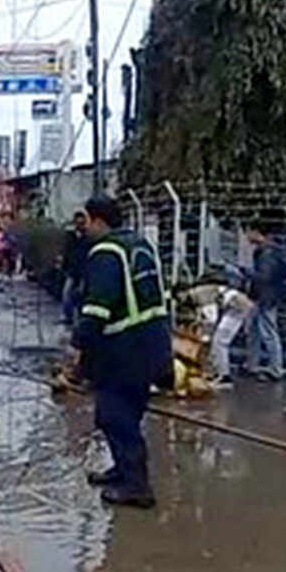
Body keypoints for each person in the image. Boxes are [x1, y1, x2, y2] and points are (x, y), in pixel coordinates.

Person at [73, 193, 173, 508]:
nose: (83, 228)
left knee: (114, 416)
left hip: (123, 348)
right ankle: (123, 470)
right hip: (152, 342)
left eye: (86, 221)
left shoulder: (105, 252)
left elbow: (97, 307)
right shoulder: (140, 244)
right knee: (130, 410)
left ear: (98, 220)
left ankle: (136, 486)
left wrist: (78, 347)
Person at [244, 219, 286, 381]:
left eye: (248, 231)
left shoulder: (267, 253)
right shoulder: (266, 250)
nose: (247, 236)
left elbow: (264, 277)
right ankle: (252, 365)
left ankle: (275, 369)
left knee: (268, 333)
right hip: (260, 297)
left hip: (265, 298)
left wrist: (246, 273)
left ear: (257, 233)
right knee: (253, 332)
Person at [60, 210, 91, 325]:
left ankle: (80, 316)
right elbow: (67, 252)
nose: (80, 225)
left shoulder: (87, 238)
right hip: (72, 270)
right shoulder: (71, 237)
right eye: (78, 223)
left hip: (83, 270)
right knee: (67, 293)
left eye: (82, 223)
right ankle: (67, 315)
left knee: (81, 293)